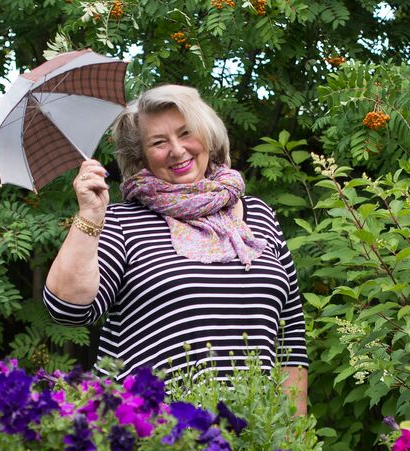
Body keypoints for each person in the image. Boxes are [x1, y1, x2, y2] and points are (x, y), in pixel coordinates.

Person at [43, 84, 308, 415]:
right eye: (158, 142)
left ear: (208, 136)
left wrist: (293, 440)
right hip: (156, 443)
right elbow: (67, 309)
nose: (177, 150)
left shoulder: (258, 214)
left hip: (253, 438)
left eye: (186, 133)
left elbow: (290, 336)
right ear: (140, 155)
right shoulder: (122, 221)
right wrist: (89, 216)